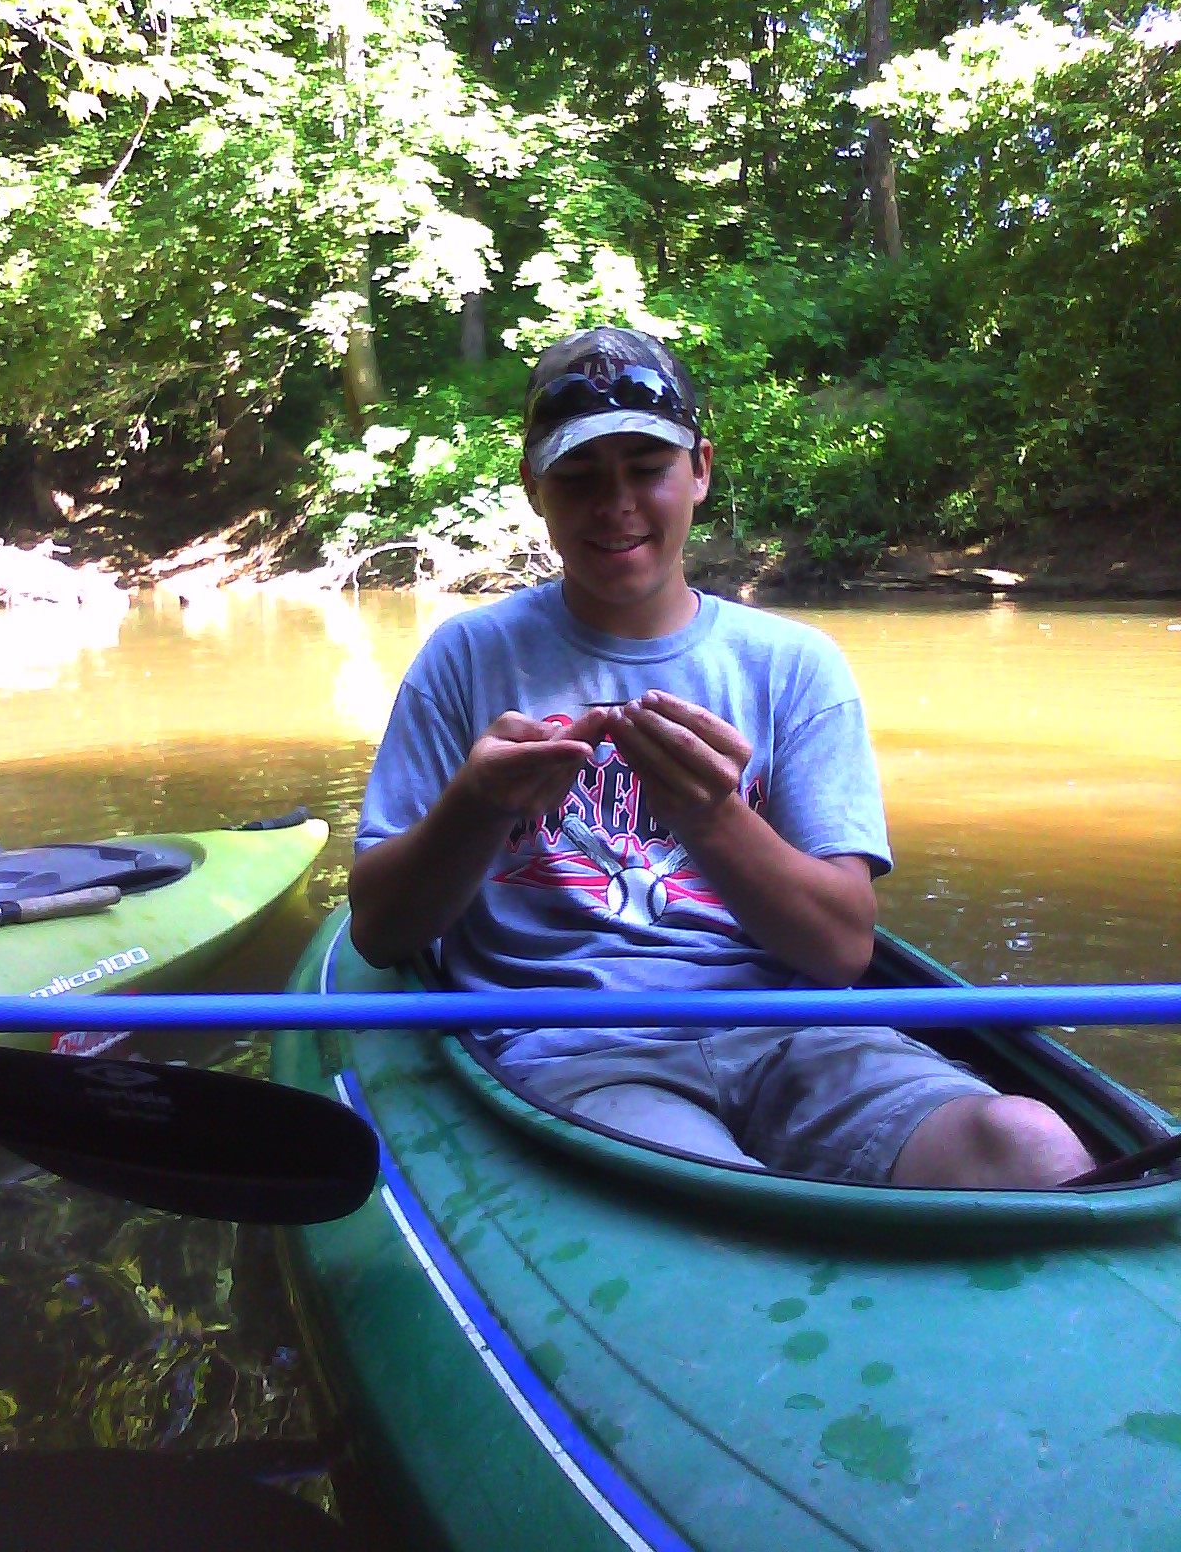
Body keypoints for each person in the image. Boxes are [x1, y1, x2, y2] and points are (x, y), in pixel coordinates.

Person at [348, 326, 1093, 1188]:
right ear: (534, 491)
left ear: (699, 469)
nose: (614, 503)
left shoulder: (795, 666)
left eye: (646, 468)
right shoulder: (464, 659)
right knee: (714, 1187)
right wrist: (477, 804)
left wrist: (712, 818)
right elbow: (382, 932)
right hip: (581, 1049)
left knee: (1030, 1142)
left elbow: (842, 951)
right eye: (580, 477)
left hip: (799, 1037)